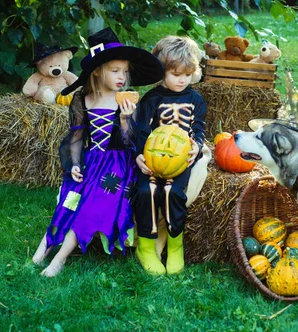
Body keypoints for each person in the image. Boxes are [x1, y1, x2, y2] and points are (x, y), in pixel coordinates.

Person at [32, 28, 164, 277]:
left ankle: (60, 259)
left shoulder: (125, 100)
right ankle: (43, 249)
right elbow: (76, 136)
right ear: (97, 70)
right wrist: (73, 164)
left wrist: (125, 119)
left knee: (92, 201)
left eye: (124, 71)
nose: (121, 77)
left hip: (117, 166)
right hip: (89, 161)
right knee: (69, 199)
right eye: (115, 71)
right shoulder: (83, 99)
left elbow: (131, 142)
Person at [132, 36, 207, 276]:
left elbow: (198, 128)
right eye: (175, 74)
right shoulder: (152, 99)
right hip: (152, 159)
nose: (182, 79)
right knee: (146, 191)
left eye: (187, 74)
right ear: (161, 72)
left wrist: (196, 146)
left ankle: (175, 247)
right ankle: (145, 247)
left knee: (174, 193)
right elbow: (141, 131)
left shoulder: (195, 99)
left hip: (181, 159)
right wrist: (139, 156)